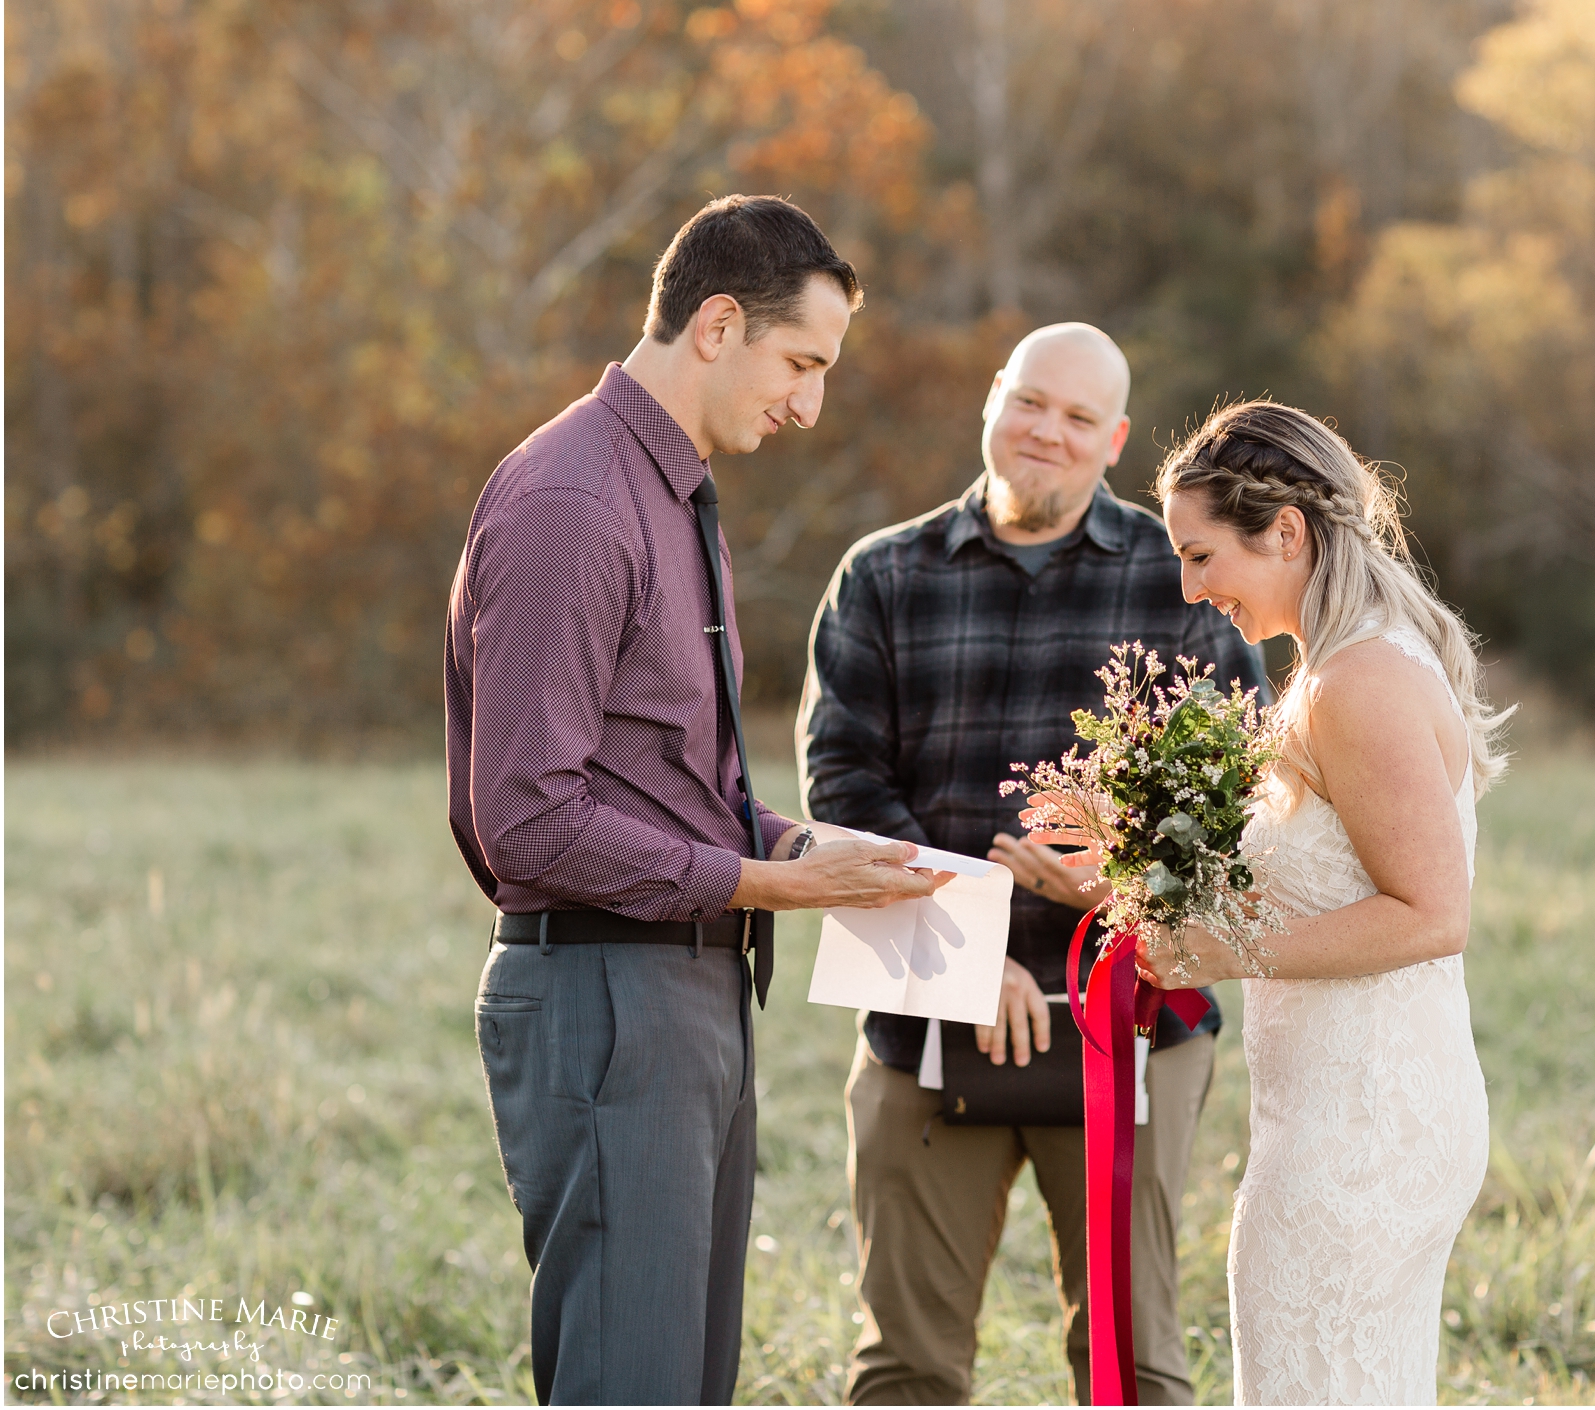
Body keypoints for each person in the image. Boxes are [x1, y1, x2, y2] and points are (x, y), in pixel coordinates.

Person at [446, 195, 947, 1406]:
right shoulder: (576, 503)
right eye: (802, 363)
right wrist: (771, 882)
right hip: (610, 999)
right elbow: (526, 814)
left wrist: (810, 847)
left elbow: (669, 782)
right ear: (718, 324)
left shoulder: (675, 498)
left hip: (691, 994)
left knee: (685, 1383)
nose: (810, 403)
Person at [799, 323, 1266, 1405]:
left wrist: (1101, 887)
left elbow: (1238, 803)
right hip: (924, 1014)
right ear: (991, 403)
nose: (1043, 432)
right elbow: (843, 787)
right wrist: (966, 957)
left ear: (1112, 441)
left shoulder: (1181, 580)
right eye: (1027, 402)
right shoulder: (881, 576)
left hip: (1130, 1023)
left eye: (1074, 417)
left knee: (1132, 1368)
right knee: (902, 1370)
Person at [1108, 400, 1509, 1404]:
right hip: (1355, 1111)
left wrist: (1220, 948)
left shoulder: (1356, 681)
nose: (1190, 587)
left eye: (1202, 556)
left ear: (1284, 531)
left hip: (1358, 1133)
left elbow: (1429, 913)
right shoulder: (1342, 667)